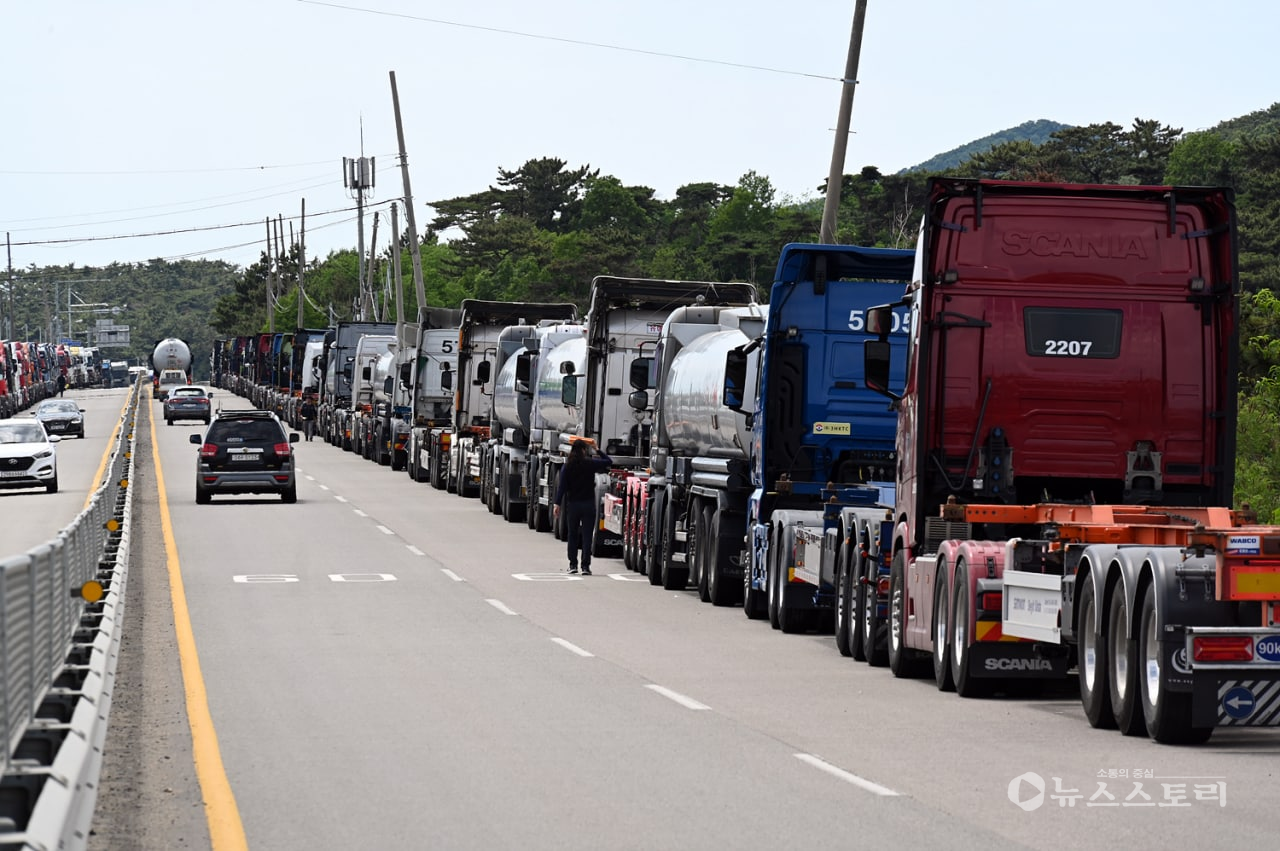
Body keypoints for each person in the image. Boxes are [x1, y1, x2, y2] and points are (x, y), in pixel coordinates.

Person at [554, 439, 612, 575]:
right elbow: (608, 461)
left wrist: (557, 504)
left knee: (572, 535)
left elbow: (562, 488)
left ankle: (573, 564)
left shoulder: (567, 466)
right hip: (588, 504)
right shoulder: (590, 463)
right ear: (583, 450)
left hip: (573, 505)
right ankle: (585, 566)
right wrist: (597, 449)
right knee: (587, 536)